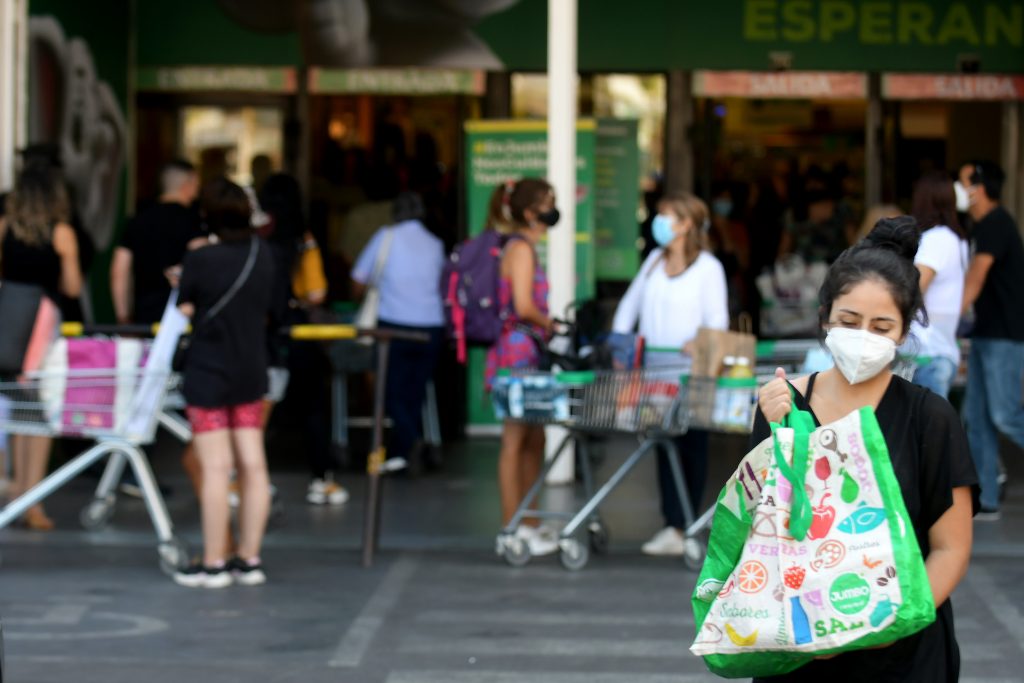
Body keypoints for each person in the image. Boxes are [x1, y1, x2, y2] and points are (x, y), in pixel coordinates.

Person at [754, 216, 975, 682]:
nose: (863, 337)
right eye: (849, 321)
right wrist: (777, 437)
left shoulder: (930, 418)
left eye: (881, 326)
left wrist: (887, 625)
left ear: (903, 331)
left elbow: (950, 549)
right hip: (800, 648)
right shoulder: (782, 405)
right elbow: (759, 533)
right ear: (825, 318)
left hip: (903, 655)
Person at [611, 193, 728, 556]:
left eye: (667, 216)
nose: (659, 222)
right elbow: (628, 307)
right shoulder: (653, 263)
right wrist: (620, 345)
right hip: (654, 375)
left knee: (692, 445)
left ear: (687, 224)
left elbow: (718, 320)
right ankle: (672, 525)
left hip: (692, 375)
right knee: (663, 445)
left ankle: (685, 522)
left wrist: (699, 342)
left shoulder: (708, 268)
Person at [173, 178, 274, 588]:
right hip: (251, 369)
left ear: (207, 215)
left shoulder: (201, 258)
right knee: (254, 465)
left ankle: (214, 562)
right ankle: (249, 560)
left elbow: (185, 308)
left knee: (216, 468)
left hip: (208, 371)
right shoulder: (263, 254)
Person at [0, 161, 83, 530]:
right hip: (43, 329)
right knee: (39, 416)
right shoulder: (62, 233)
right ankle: (33, 500)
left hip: (8, 325)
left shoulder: (4, 227)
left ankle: (15, 491)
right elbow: (72, 288)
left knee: (14, 413)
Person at [260, 173, 348, 505]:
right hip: (298, 329)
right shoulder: (303, 238)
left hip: (261, 330)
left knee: (257, 410)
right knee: (313, 405)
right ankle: (320, 479)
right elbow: (317, 291)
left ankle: (246, 481)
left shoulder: (255, 235)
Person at [485, 178, 561, 557]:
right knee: (515, 439)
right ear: (530, 211)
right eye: (548, 203)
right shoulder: (521, 248)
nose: (553, 210)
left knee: (535, 437)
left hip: (527, 349)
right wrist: (549, 323)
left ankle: (529, 521)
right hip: (518, 350)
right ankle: (511, 526)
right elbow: (522, 305)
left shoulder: (523, 246)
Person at [352, 191, 446, 474]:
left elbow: (358, 279)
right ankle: (402, 450)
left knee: (390, 390)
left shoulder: (386, 237)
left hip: (394, 325)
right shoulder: (435, 243)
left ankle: (407, 443)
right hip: (431, 326)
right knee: (414, 392)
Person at [960, 160, 1024, 521]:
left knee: (1005, 416)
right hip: (987, 334)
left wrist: (949, 319)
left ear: (979, 187)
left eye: (964, 181)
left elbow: (976, 278)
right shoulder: (983, 225)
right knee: (977, 417)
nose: (960, 188)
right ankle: (986, 499)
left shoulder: (996, 223)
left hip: (1004, 336)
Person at [111, 159, 203, 325]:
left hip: (144, 318)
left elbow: (119, 271)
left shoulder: (137, 221)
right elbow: (203, 262)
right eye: (197, 182)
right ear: (187, 184)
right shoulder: (194, 222)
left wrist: (123, 317)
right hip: (184, 319)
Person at [906, 171, 967, 398]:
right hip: (943, 352)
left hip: (927, 354)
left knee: (926, 432)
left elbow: (914, 289)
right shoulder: (956, 239)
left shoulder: (935, 239)